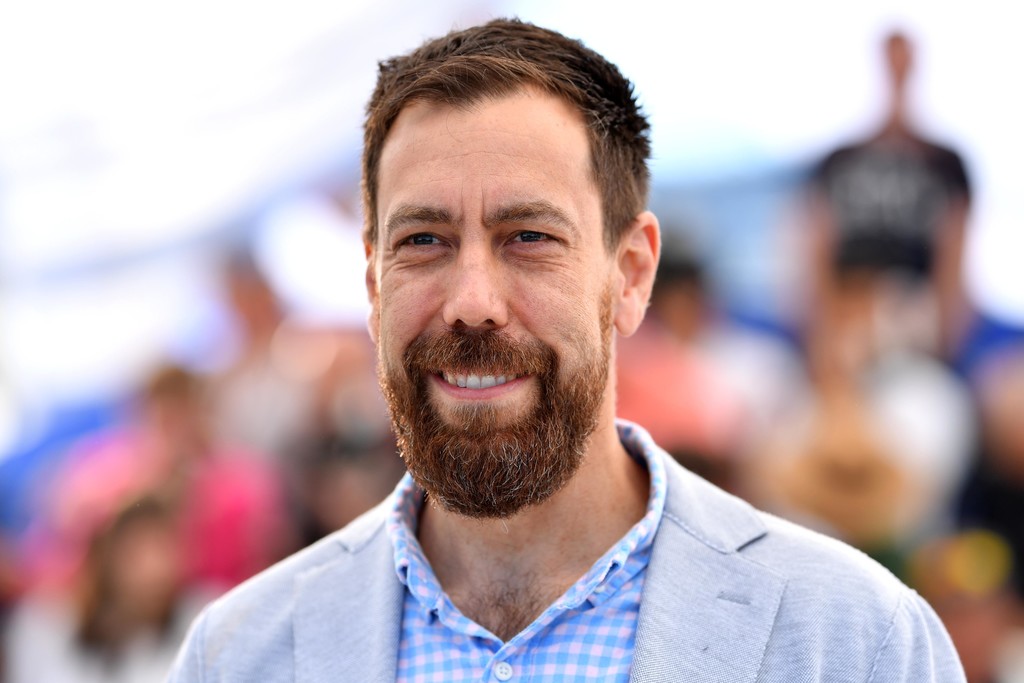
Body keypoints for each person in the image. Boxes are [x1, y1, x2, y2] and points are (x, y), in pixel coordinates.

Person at [170, 18, 964, 681]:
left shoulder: (857, 643)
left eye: (528, 236)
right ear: (374, 287)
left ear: (631, 274)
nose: (472, 301)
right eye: (423, 240)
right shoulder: (240, 655)